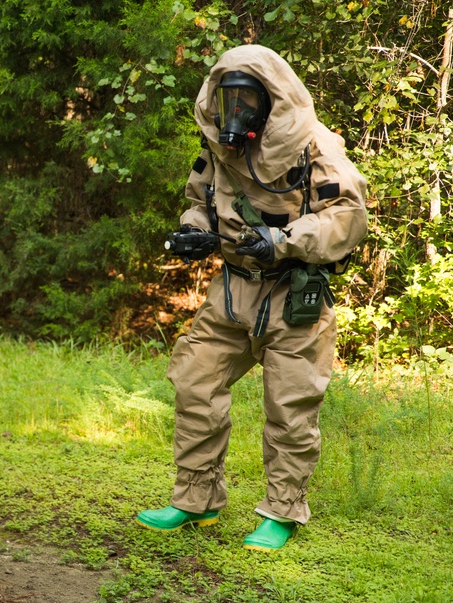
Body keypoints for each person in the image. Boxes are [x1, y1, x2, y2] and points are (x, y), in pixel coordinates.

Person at [135, 45, 368, 551]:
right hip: (232, 290)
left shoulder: (316, 147)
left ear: (271, 100)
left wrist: (285, 240)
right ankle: (196, 500)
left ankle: (282, 512)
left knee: (290, 405)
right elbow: (200, 202)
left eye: (246, 99)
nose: (235, 110)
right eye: (228, 98)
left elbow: (347, 218)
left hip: (294, 294)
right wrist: (193, 233)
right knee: (196, 380)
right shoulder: (220, 147)